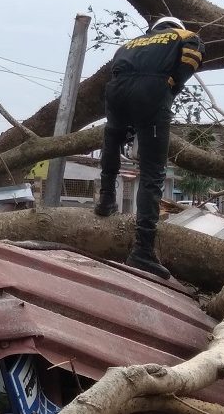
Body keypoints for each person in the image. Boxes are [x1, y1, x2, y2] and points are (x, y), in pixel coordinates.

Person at [94, 16, 204, 279]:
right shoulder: (185, 36)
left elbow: (117, 70)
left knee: (113, 138)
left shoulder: (130, 44)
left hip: (117, 91)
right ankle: (143, 249)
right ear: (175, 26)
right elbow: (193, 55)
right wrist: (172, 84)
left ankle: (106, 201)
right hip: (152, 91)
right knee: (153, 172)